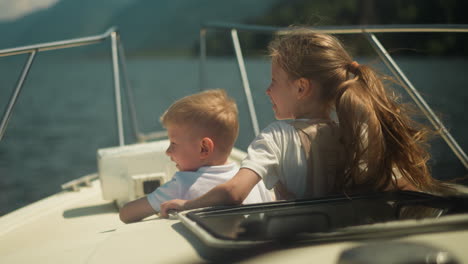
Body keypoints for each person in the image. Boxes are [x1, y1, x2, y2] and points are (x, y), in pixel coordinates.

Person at [159, 28, 454, 218]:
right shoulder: (354, 129)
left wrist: (186, 205)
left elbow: (233, 193)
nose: (267, 90)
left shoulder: (275, 136)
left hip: (297, 240)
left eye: (274, 82)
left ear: (301, 88)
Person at [119, 89, 273, 223]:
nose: (168, 151)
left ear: (204, 149)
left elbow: (126, 214)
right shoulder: (253, 181)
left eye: (173, 144)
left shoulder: (183, 183)